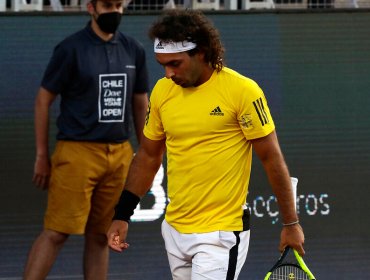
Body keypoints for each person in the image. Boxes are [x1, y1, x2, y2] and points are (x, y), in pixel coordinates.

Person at [107, 9, 305, 280]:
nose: (168, 73)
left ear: (201, 52)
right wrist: (122, 214)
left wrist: (291, 223)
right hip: (175, 230)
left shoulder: (243, 91)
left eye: (175, 63)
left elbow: (272, 159)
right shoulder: (163, 91)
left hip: (220, 234)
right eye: (162, 64)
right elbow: (148, 157)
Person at [23, 0, 149, 279]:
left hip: (119, 153)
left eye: (119, 5)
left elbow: (140, 102)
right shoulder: (70, 48)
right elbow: (43, 101)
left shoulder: (134, 49)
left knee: (102, 236)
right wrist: (42, 156)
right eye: (107, 5)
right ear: (91, 7)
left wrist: (146, 151)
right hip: (77, 151)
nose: (114, 12)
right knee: (56, 232)